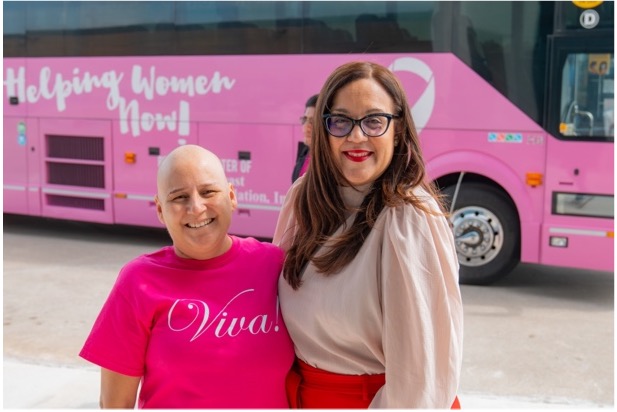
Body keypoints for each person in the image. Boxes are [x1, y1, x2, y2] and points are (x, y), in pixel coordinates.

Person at [273, 61, 463, 408]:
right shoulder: (303, 197)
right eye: (341, 121)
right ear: (323, 129)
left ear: (399, 128)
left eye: (374, 121)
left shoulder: (408, 216)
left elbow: (420, 377)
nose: (356, 136)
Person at [80, 145, 294, 408]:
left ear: (231, 196)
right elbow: (115, 404)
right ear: (160, 210)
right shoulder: (137, 281)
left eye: (208, 192)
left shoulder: (274, 265)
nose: (196, 207)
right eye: (179, 197)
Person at [292, 94, 318, 183]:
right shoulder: (304, 153)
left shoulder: (330, 162)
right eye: (305, 119)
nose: (307, 126)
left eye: (313, 121)